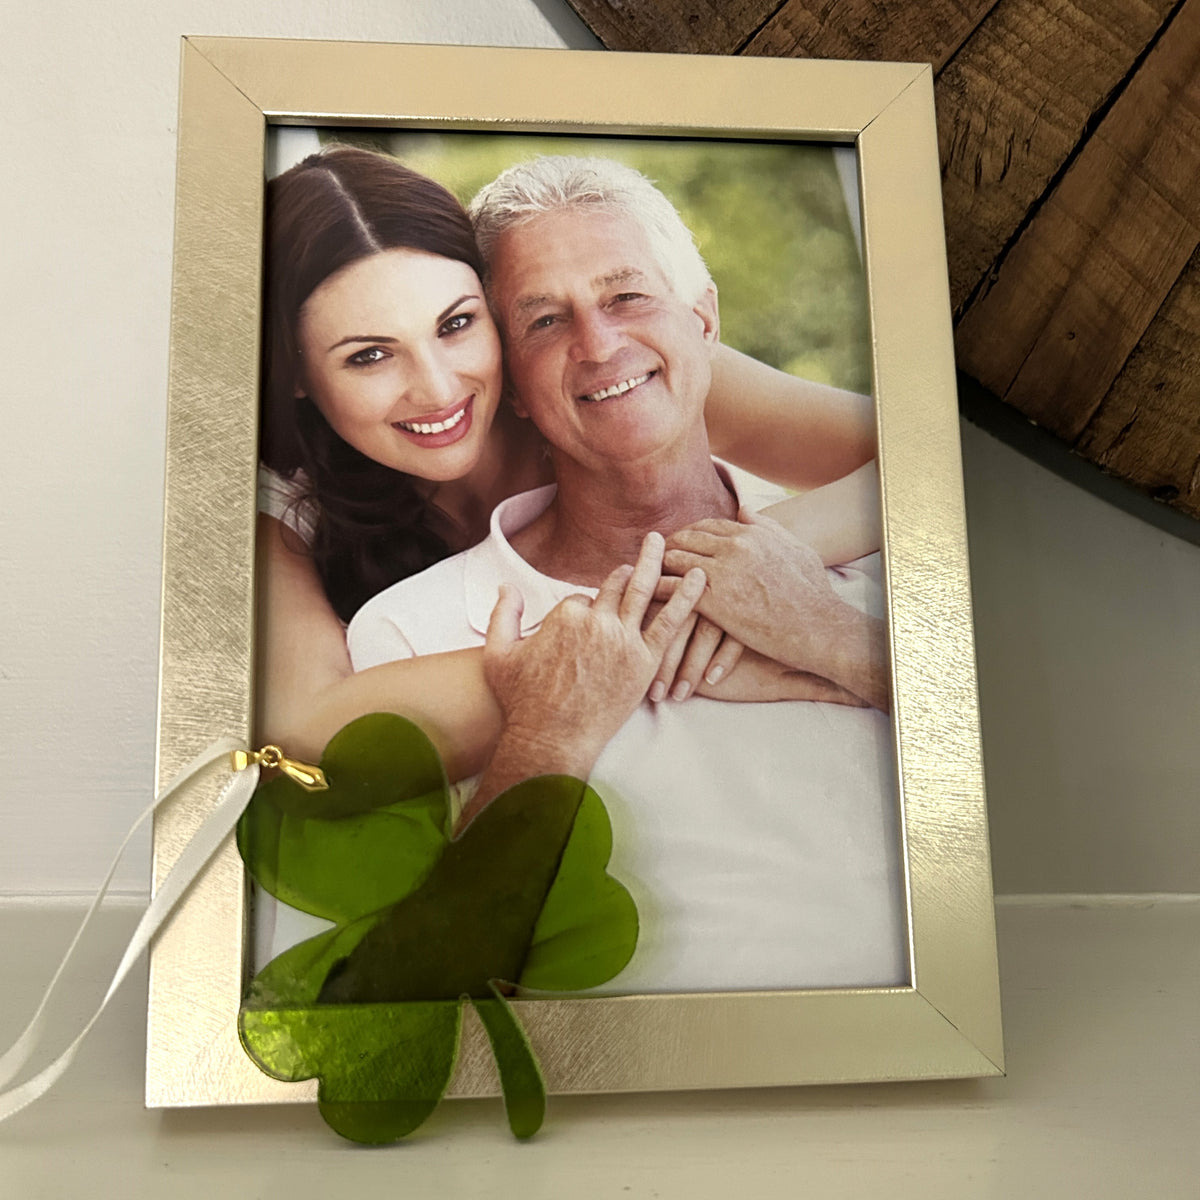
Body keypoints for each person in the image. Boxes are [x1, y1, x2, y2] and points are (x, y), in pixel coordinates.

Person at [346, 157, 905, 993]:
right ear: (516, 392)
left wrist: (829, 638)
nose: (599, 344)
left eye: (627, 296)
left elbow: (1038, 796)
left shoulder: (880, 535)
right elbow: (416, 992)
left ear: (705, 319)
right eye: (543, 321)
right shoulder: (407, 633)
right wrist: (548, 733)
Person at [256, 146, 881, 785]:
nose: (439, 388)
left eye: (456, 324)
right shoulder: (282, 508)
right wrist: (660, 626)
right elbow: (306, 731)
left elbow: (910, 458)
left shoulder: (617, 376)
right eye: (368, 356)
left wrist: (745, 571)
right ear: (296, 372)